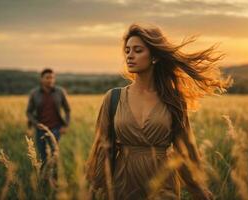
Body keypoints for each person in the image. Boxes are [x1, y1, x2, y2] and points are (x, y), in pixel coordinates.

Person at [86, 23, 232, 200]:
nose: (130, 56)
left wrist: (198, 189)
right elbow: (102, 149)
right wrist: (94, 189)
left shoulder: (173, 101)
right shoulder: (113, 98)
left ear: (154, 57)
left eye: (138, 50)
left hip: (163, 186)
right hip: (122, 184)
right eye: (127, 50)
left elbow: (184, 151)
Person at [26, 68, 71, 168]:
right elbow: (29, 112)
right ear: (41, 79)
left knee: (54, 156)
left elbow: (67, 110)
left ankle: (55, 180)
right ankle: (44, 179)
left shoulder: (60, 92)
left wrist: (66, 125)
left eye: (52, 78)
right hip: (40, 130)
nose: (50, 80)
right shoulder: (34, 93)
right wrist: (35, 124)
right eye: (47, 78)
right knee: (43, 158)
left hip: (56, 129)